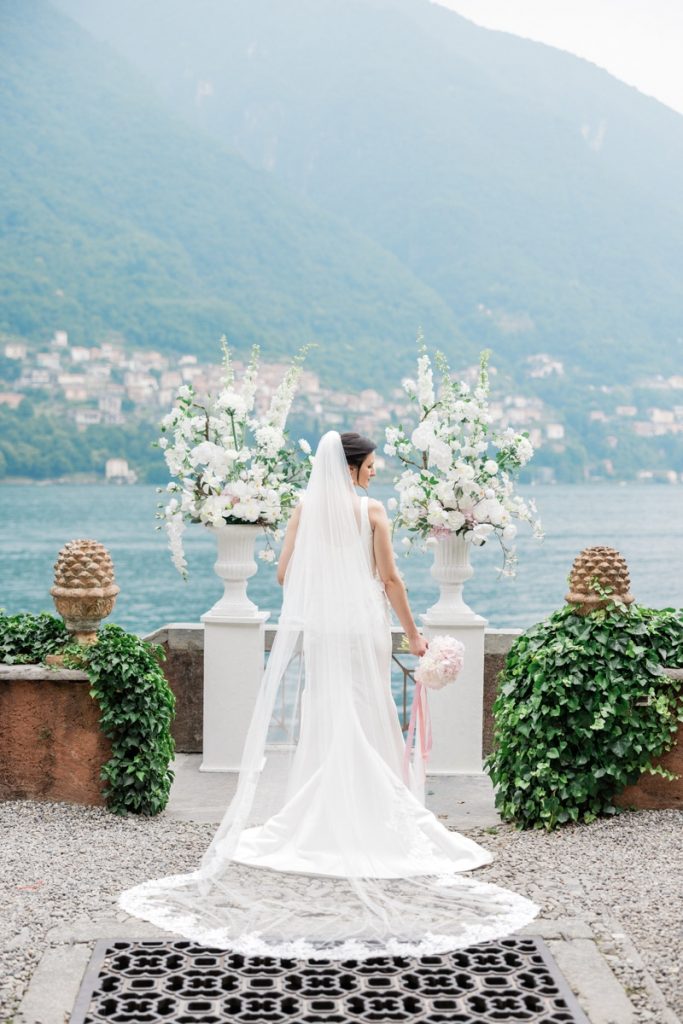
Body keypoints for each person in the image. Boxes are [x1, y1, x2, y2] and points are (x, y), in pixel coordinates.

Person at [120, 430, 538, 958]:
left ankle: (319, 810)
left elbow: (282, 573)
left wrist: (324, 588)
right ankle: (365, 813)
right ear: (352, 467)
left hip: (322, 630)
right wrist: (413, 637)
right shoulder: (372, 513)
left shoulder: (303, 509)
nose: (375, 473)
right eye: (370, 466)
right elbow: (391, 580)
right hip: (362, 625)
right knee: (366, 711)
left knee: (329, 711)